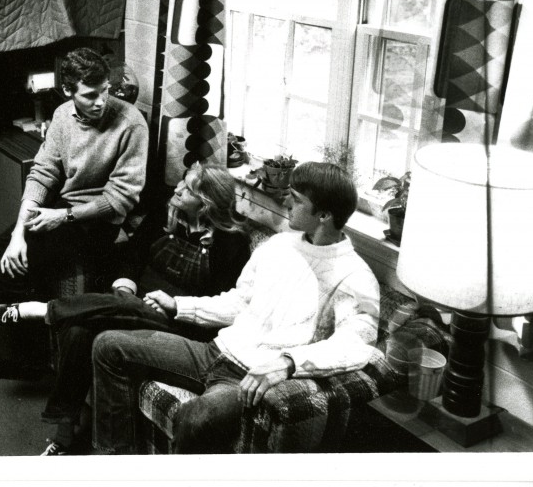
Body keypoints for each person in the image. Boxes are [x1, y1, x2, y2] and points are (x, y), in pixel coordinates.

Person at [90, 161, 381, 454]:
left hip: (243, 378)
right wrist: (178, 305)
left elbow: (357, 345)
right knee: (108, 345)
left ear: (325, 215)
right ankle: (115, 459)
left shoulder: (354, 276)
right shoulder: (278, 244)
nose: (286, 203)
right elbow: (239, 301)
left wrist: (288, 363)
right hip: (213, 351)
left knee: (197, 418)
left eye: (296, 199)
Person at [0, 161, 251, 455]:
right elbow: (134, 255)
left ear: (205, 203)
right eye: (182, 182)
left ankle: (44, 310)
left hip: (178, 321)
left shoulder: (231, 243)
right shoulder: (167, 213)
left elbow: (221, 304)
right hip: (134, 302)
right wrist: (126, 285)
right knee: (78, 329)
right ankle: (64, 431)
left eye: (187, 189)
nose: (177, 188)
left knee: (100, 315)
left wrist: (175, 306)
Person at [0, 47, 149, 381]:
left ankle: (37, 359)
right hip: (62, 212)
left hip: (100, 222)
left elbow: (121, 199)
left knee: (11, 274)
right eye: (90, 95)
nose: (101, 102)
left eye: (105, 92)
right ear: (69, 92)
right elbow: (43, 174)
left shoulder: (131, 124)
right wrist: (17, 236)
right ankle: (16, 357)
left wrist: (64, 217)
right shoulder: (61, 116)